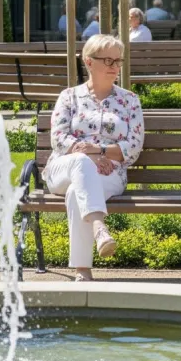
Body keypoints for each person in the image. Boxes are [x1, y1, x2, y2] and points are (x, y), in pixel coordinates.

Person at [46, 35, 144, 281]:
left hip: (110, 172)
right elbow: (58, 138)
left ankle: (83, 271)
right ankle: (99, 227)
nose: (114, 66)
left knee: (75, 193)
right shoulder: (69, 96)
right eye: (108, 60)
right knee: (80, 164)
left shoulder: (129, 100)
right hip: (64, 167)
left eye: (118, 61)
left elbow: (132, 147)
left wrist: (98, 152)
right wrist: (89, 154)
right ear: (89, 62)